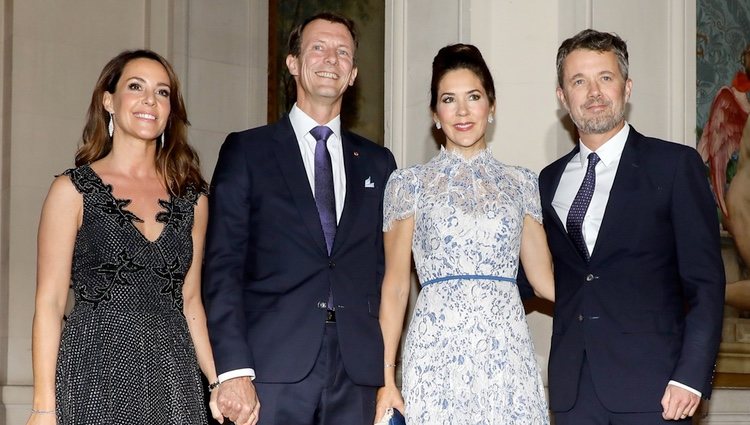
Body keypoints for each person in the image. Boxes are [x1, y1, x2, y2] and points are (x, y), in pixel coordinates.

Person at [203, 12, 397, 425]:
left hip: (356, 370)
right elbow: (221, 267)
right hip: (269, 370)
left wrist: (385, 374)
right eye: (318, 47)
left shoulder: (379, 164)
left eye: (343, 51)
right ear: (293, 63)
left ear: (353, 73)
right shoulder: (247, 152)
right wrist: (233, 370)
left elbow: (385, 274)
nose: (331, 58)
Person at [537, 29, 725, 424]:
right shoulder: (547, 180)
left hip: (656, 390)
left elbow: (706, 283)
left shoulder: (674, 166)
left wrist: (690, 377)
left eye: (605, 78)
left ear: (627, 87)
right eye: (578, 81)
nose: (593, 92)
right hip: (573, 392)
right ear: (562, 97)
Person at [28, 50, 221, 424]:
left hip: (172, 374)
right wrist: (42, 406)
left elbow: (192, 301)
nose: (150, 100)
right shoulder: (72, 190)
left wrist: (217, 382)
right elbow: (49, 304)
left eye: (162, 92)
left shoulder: (193, 199)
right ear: (108, 101)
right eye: (136, 87)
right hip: (94, 369)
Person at [375, 43, 554, 424]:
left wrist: (618, 297)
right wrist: (387, 378)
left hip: (506, 353)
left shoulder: (521, 183)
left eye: (473, 97)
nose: (462, 111)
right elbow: (395, 288)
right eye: (448, 99)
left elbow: (545, 282)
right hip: (434, 352)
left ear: (491, 106)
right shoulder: (410, 184)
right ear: (435, 114)